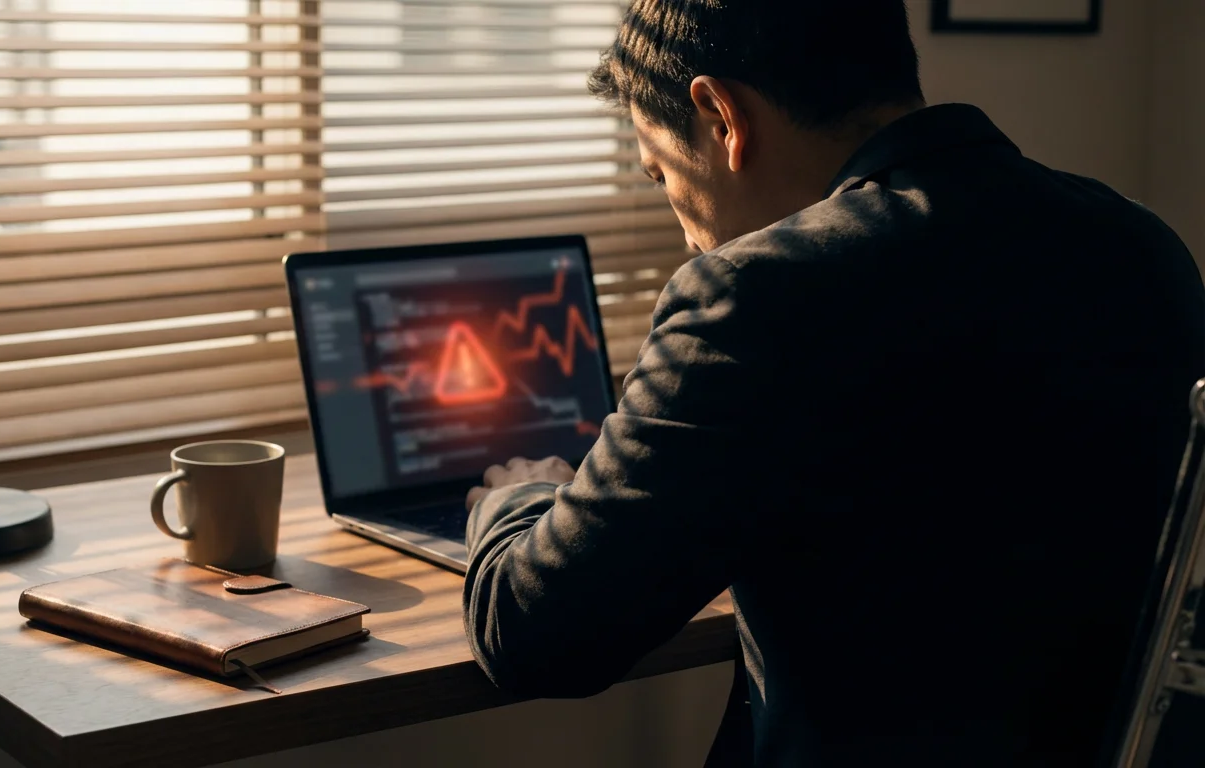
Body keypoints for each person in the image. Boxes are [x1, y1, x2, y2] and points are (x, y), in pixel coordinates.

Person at [461, 0, 1205, 765]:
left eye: (659, 174)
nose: (683, 227)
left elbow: (534, 635)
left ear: (721, 117)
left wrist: (513, 499)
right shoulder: (1141, 246)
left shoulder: (758, 295)